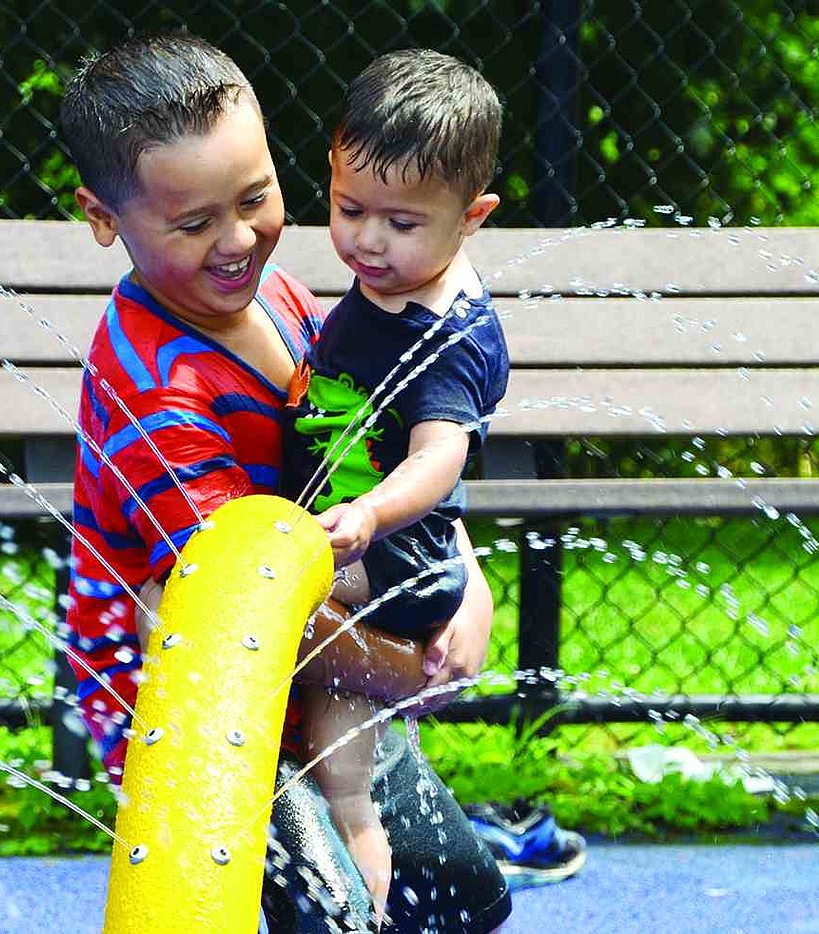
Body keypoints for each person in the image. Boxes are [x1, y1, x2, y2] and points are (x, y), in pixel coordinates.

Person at [59, 32, 511, 933]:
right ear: (103, 217)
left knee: (458, 902)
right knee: (340, 918)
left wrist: (468, 582)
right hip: (198, 713)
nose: (237, 240)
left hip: (319, 669)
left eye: (257, 197)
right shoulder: (159, 398)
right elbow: (241, 614)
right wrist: (410, 672)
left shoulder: (283, 302)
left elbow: (371, 458)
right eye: (193, 224)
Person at [278, 49, 509, 921]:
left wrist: (371, 512)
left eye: (401, 223)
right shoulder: (393, 282)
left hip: (396, 549)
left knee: (324, 658)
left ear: (472, 217)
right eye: (349, 209)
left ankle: (357, 826)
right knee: (331, 669)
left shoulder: (448, 336)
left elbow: (440, 460)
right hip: (376, 530)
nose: (369, 241)